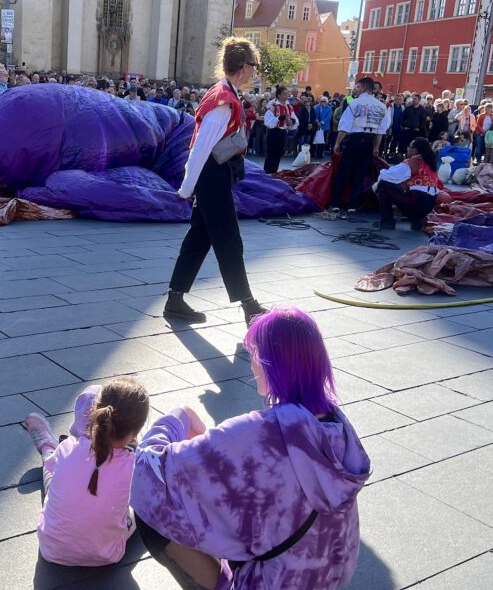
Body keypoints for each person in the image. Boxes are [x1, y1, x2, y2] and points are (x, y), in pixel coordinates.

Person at [131, 307, 370, 590]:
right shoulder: (337, 423)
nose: (252, 364)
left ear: (273, 363)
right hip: (327, 577)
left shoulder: (260, 432)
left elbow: (151, 470)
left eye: (254, 353)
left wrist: (172, 422)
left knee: (154, 504)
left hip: (271, 583)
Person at [164, 37, 268, 327]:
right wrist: (187, 187)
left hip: (215, 175)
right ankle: (249, 306)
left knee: (200, 237)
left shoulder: (226, 94)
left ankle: (175, 299)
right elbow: (200, 147)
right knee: (229, 241)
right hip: (212, 177)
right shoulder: (223, 99)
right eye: (254, 66)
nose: (255, 72)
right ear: (244, 67)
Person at [24, 378, 150, 567]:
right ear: (135, 432)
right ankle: (48, 448)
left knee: (52, 478)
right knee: (143, 506)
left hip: (51, 548)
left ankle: (47, 447)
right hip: (106, 555)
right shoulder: (134, 464)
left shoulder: (67, 448)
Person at [330, 77, 389, 212]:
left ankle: (336, 203)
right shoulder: (381, 106)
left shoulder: (354, 103)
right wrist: (375, 148)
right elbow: (381, 131)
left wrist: (337, 143)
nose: (356, 89)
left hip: (354, 139)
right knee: (360, 174)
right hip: (369, 140)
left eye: (358, 86)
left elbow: (344, 127)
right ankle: (353, 205)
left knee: (343, 172)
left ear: (363, 87)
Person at [375, 137, 440, 231]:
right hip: (429, 204)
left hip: (417, 202)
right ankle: (417, 219)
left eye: (409, 146)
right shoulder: (430, 163)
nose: (408, 148)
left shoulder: (413, 162)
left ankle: (387, 221)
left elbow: (389, 175)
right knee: (407, 193)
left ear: (415, 150)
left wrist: (381, 174)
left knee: (383, 185)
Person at [263, 85, 294, 174]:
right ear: (279, 95)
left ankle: (274, 172)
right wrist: (279, 118)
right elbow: (267, 121)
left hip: (283, 132)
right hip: (274, 131)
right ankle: (267, 172)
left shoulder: (289, 106)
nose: (286, 96)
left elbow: (293, 119)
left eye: (287, 94)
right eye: (284, 94)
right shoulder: (273, 105)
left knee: (278, 153)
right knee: (270, 154)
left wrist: (292, 121)